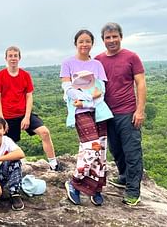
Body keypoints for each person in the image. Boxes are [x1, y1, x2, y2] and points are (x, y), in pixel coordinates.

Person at [95, 22, 147, 206]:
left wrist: (140, 110)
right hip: (107, 113)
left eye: (114, 36)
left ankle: (133, 191)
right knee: (116, 149)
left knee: (132, 152)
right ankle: (124, 177)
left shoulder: (131, 57)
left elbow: (140, 83)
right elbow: (93, 85)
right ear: (103, 40)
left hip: (127, 112)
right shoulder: (98, 59)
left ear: (121, 37)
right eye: (108, 37)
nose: (111, 40)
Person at [0, 46, 61, 171]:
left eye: (15, 56)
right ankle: (8, 168)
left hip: (24, 113)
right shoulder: (0, 76)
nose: (13, 58)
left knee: (44, 132)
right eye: (10, 56)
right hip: (7, 116)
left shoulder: (25, 75)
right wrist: (1, 120)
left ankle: (53, 163)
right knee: (7, 144)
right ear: (6, 58)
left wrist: (27, 117)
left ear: (19, 58)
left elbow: (29, 97)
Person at [60, 29, 109, 206]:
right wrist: (87, 99)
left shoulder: (97, 65)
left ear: (92, 44)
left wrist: (86, 100)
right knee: (91, 147)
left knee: (101, 150)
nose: (84, 44)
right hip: (79, 112)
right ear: (76, 43)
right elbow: (68, 89)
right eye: (81, 41)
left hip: (99, 111)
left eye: (88, 41)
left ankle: (95, 188)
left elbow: (100, 91)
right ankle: (74, 182)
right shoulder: (68, 63)